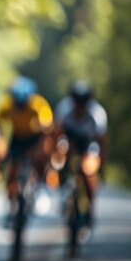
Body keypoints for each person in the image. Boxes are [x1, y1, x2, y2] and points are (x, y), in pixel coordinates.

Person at [0, 76, 53, 224]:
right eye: (18, 105)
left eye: (23, 105)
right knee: (12, 172)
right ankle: (11, 206)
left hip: (34, 137)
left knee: (40, 158)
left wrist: (42, 149)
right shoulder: (7, 105)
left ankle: (39, 186)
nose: (20, 108)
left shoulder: (38, 104)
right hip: (17, 138)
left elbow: (47, 128)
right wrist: (0, 140)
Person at [54, 80, 107, 227]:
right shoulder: (64, 109)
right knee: (60, 161)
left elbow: (101, 142)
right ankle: (64, 192)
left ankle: (90, 208)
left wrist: (100, 163)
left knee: (88, 171)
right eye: (76, 102)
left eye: (83, 103)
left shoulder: (97, 114)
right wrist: (57, 155)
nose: (79, 106)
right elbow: (57, 134)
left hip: (89, 143)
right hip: (69, 140)